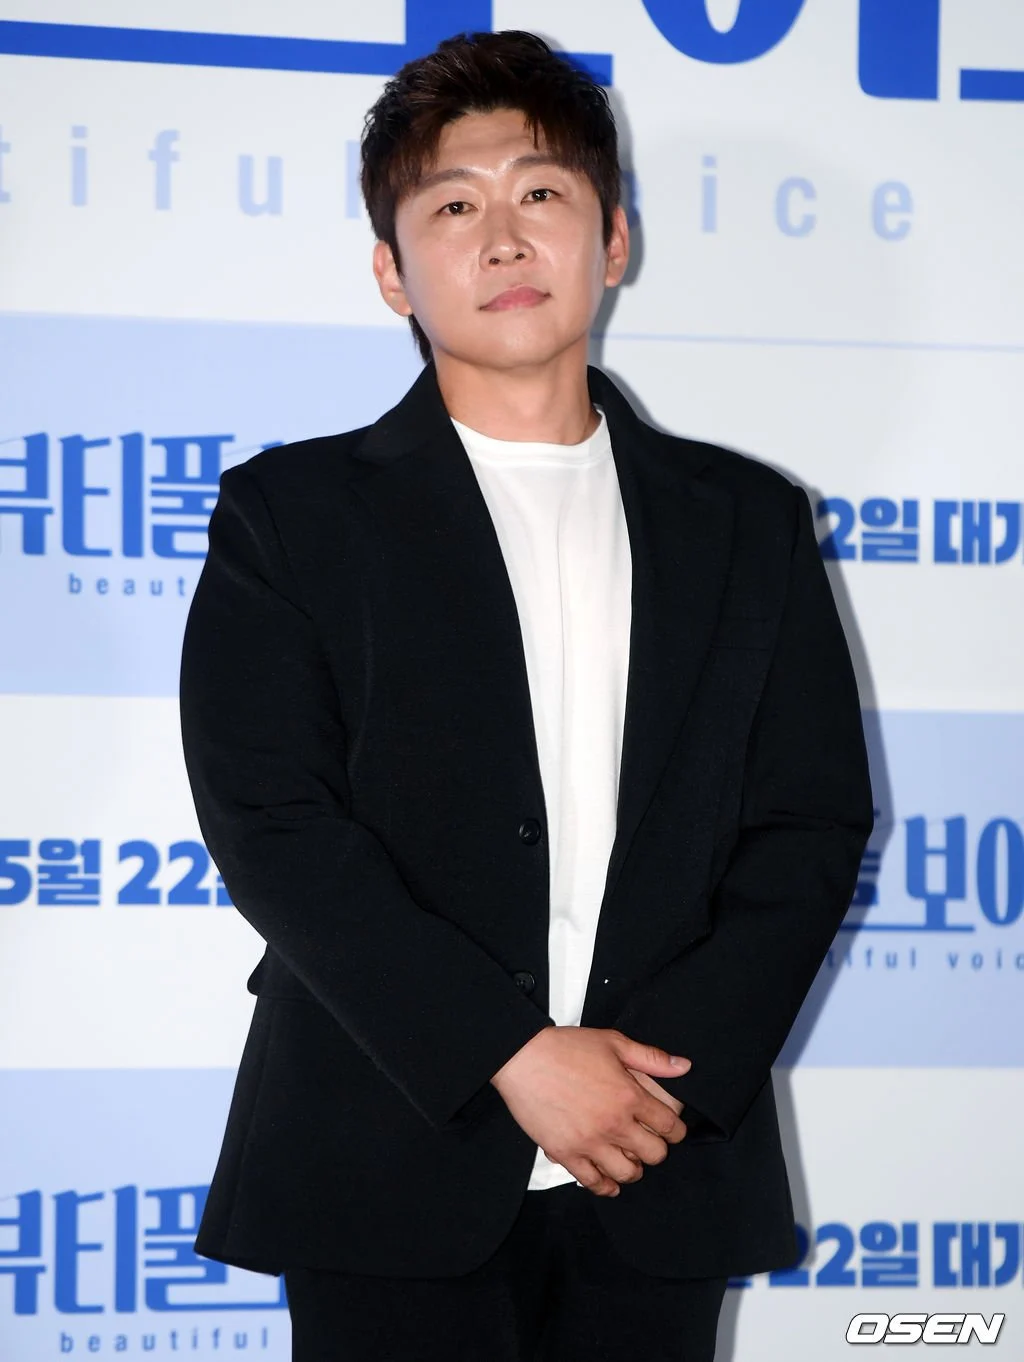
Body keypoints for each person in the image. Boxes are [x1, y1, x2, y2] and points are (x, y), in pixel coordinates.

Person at [178, 28, 874, 1362]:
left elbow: (809, 823)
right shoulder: (293, 516)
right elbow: (274, 823)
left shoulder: (748, 521)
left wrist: (648, 1086)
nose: (502, 237)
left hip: (656, 1158)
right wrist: (509, 1051)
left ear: (613, 239)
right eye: (453, 207)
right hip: (385, 1153)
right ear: (392, 271)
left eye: (541, 192)